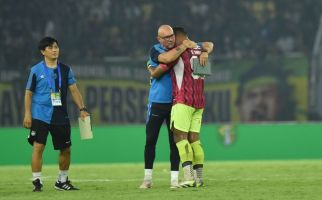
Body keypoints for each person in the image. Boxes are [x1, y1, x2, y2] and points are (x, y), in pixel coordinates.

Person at [147, 27, 214, 188]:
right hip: (199, 102)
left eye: (172, 38)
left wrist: (150, 67)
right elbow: (209, 44)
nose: (170, 42)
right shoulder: (198, 49)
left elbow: (158, 71)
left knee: (180, 138)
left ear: (179, 38)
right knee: (195, 140)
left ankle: (189, 178)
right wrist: (205, 53)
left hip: (183, 101)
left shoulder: (177, 55)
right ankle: (199, 178)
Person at [23, 37, 89, 192]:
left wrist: (82, 109)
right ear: (43, 51)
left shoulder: (65, 69)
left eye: (56, 47)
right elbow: (28, 93)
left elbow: (74, 90)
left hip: (60, 114)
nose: (55, 50)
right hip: (40, 114)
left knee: (66, 149)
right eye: (51, 47)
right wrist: (27, 114)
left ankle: (62, 180)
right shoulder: (36, 70)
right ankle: (37, 181)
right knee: (38, 147)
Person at [140, 25, 196, 189]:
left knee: (175, 142)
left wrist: (204, 51)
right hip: (157, 101)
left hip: (176, 102)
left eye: (172, 36)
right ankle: (147, 179)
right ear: (159, 39)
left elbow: (204, 45)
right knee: (151, 140)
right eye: (166, 37)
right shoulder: (155, 50)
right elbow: (164, 60)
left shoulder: (181, 47)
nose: (170, 39)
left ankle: (174, 180)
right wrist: (183, 46)